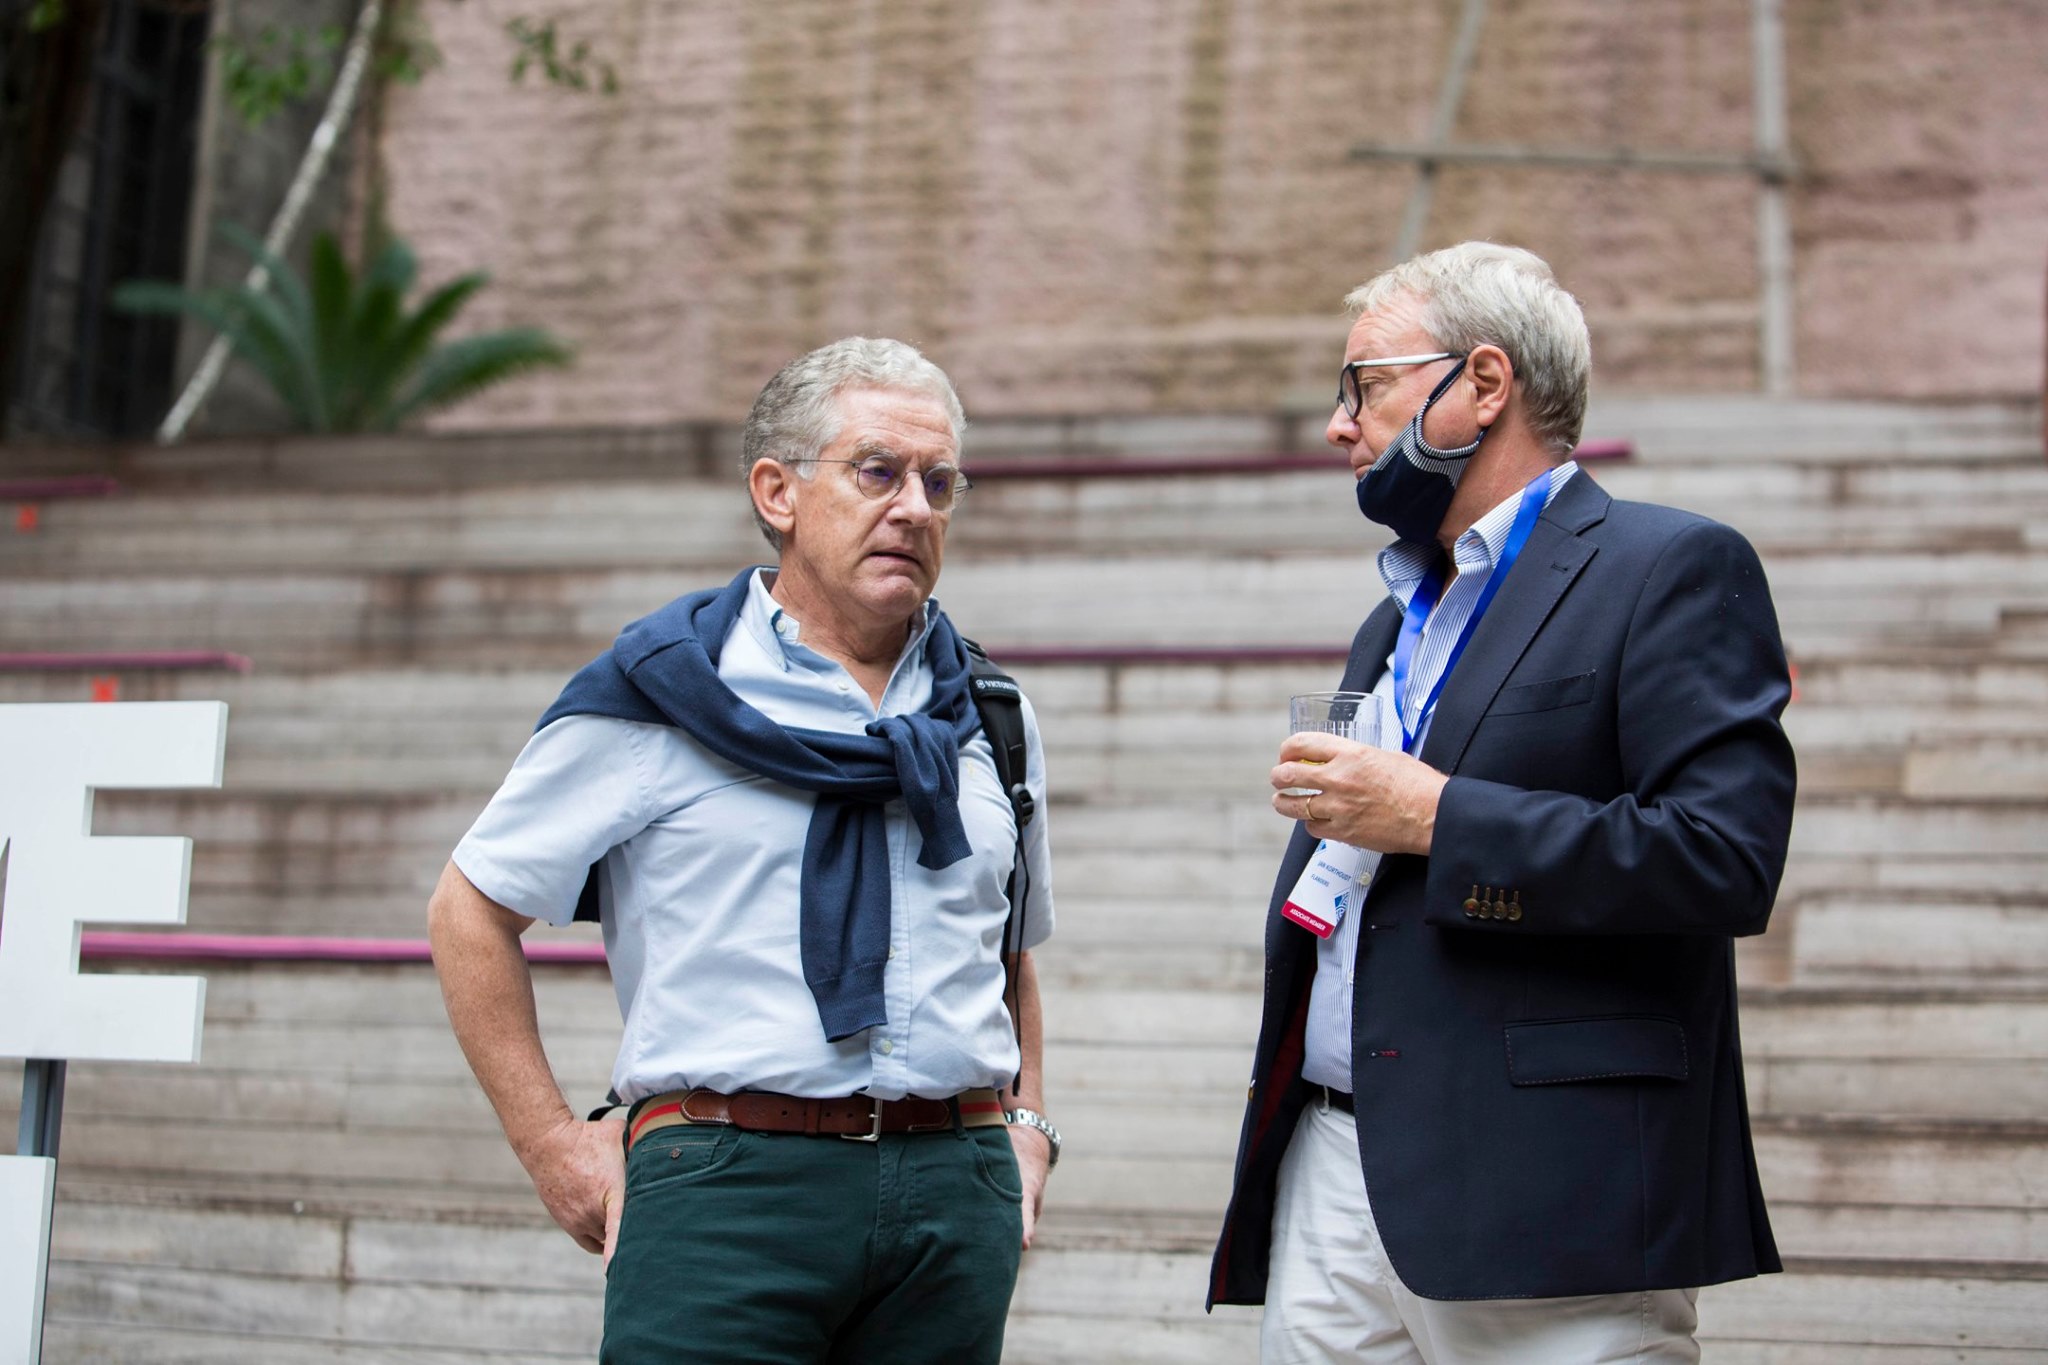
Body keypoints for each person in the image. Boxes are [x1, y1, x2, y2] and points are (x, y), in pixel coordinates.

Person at [1208, 243, 1796, 1363]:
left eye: (1364, 386)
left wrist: (1438, 817)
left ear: (1483, 384)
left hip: (1546, 1181)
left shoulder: (1668, 565)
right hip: (1334, 1162)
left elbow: (1723, 857)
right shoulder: (1396, 614)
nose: (1338, 426)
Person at [429, 337, 1059, 1365]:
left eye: (939, 482)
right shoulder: (659, 692)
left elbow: (1008, 947)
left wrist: (1026, 1129)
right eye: (877, 472)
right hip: (726, 1190)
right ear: (777, 492)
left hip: (954, 1197)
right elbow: (469, 910)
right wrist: (552, 1146)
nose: (914, 507)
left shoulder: (989, 711)